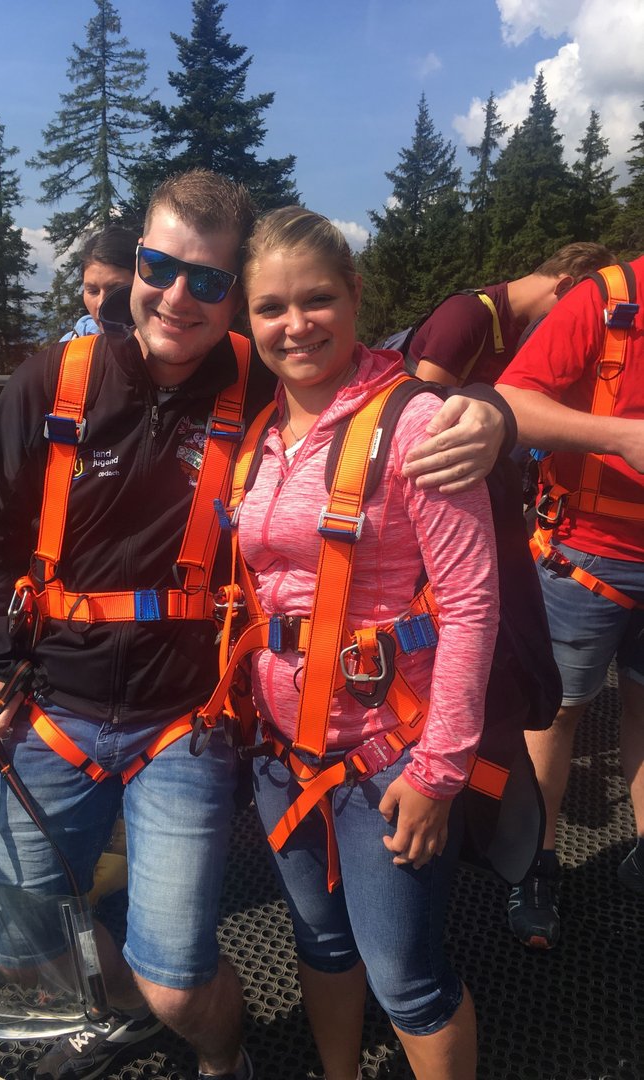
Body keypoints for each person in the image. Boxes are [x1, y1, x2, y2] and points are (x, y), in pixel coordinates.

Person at [0, 169, 512, 1080]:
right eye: (158, 267)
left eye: (210, 282)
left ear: (232, 306)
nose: (178, 297)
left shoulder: (260, 378)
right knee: (22, 949)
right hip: (61, 702)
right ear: (134, 261)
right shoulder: (53, 381)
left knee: (195, 982)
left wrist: (491, 417)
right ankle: (134, 1009)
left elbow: (387, 391)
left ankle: (221, 1057)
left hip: (193, 723)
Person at [234, 206, 497, 1080]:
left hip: (391, 756)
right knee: (321, 943)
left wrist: (440, 772)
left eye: (316, 300)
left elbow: (471, 603)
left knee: (406, 979)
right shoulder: (260, 435)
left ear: (355, 295)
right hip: (283, 754)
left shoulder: (418, 425)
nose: (295, 325)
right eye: (271, 308)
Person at [497, 257, 644, 949]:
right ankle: (536, 861)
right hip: (587, 557)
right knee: (555, 714)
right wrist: (621, 436)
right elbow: (511, 404)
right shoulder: (607, 300)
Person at [409, 242, 615, 387]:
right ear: (563, 286)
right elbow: (423, 414)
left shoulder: (527, 331)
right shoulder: (464, 315)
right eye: (581, 308)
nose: (580, 322)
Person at [60, 226, 139, 340]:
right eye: (93, 291)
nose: (101, 303)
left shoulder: (163, 343)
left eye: (114, 291)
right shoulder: (70, 346)